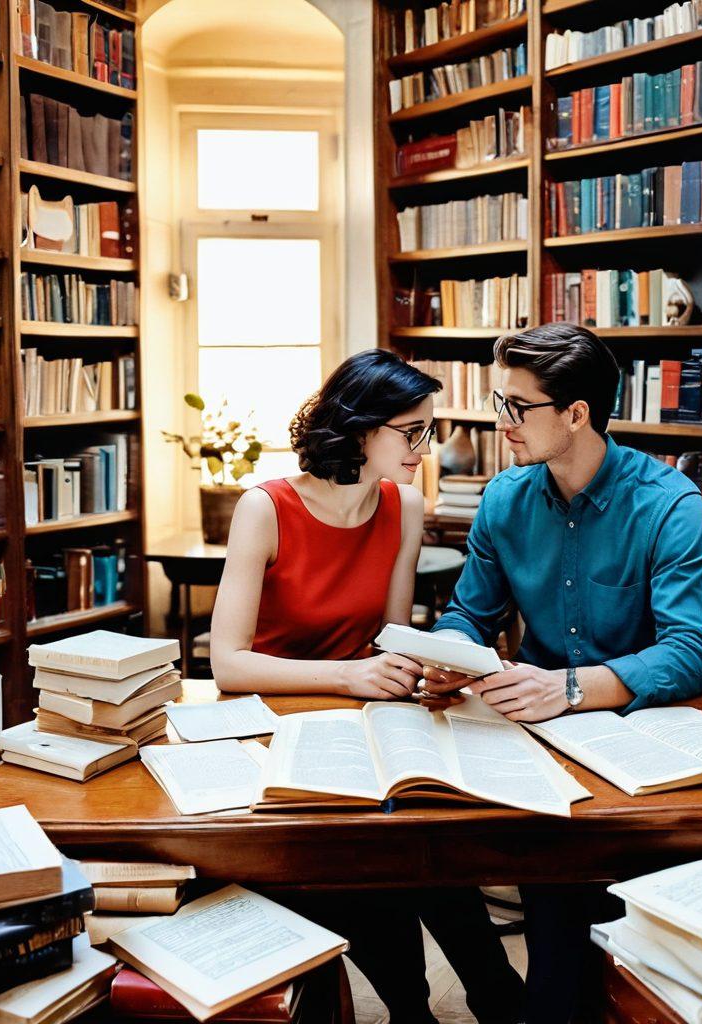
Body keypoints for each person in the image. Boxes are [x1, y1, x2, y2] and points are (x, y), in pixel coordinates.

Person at [210, 349, 524, 1024]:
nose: (426, 446)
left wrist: (436, 671)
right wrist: (351, 675)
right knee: (386, 850)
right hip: (274, 726)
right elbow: (228, 664)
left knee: (429, 825)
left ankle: (480, 996)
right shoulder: (265, 508)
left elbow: (391, 639)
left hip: (367, 720)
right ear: (360, 431)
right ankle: (440, 999)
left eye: (428, 429)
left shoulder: (404, 506)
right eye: (412, 431)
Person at [421, 322, 702, 1023]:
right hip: (535, 740)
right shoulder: (504, 499)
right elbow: (471, 610)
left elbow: (689, 652)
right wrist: (446, 654)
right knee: (420, 842)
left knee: (568, 905)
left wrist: (571, 687)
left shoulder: (669, 505)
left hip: (641, 743)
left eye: (517, 407)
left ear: (577, 414)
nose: (502, 421)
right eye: (501, 401)